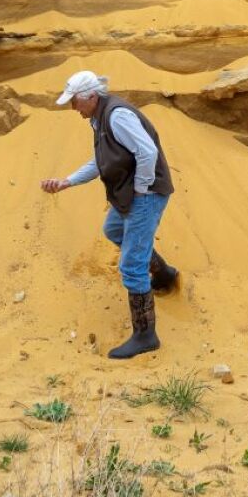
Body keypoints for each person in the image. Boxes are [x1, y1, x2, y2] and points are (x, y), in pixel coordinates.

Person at [39, 69, 178, 359]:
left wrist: (141, 188)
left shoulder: (116, 116)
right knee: (114, 230)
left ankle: (145, 335)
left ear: (90, 97)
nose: (73, 108)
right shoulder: (98, 118)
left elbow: (147, 152)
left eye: (74, 102)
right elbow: (101, 159)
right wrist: (68, 181)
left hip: (145, 194)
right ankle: (164, 273)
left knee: (131, 265)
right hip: (129, 193)